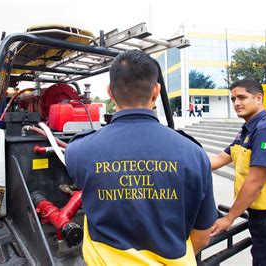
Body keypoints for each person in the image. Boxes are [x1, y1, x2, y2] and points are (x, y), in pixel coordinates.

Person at [65, 50, 218, 264]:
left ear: (110, 91)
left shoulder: (79, 150)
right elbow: (202, 236)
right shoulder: (194, 153)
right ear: (156, 91)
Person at [208, 79, 266, 265]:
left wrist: (229, 218)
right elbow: (220, 158)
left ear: (259, 98)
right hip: (262, 218)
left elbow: (255, 182)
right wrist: (183, 163)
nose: (236, 103)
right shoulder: (247, 131)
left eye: (242, 97)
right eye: (233, 98)